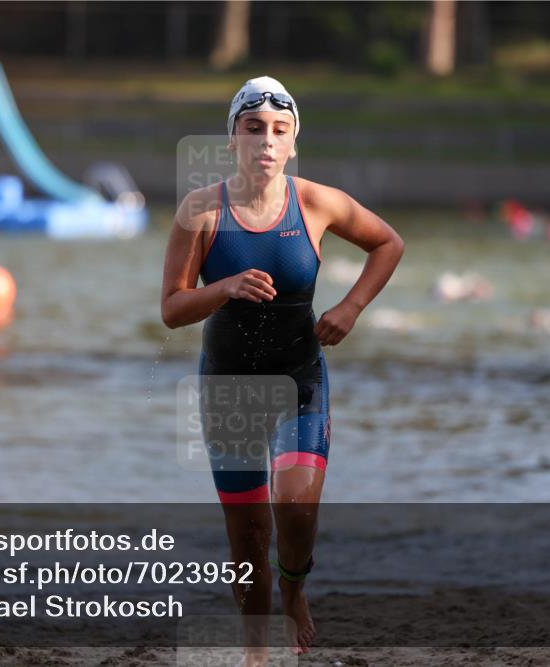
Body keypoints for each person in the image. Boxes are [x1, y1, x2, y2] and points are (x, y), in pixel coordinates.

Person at [161, 76, 404, 664]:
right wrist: (224, 288)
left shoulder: (317, 202)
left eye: (279, 130)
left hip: (299, 379)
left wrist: (350, 307)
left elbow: (388, 244)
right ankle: (256, 650)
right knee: (247, 537)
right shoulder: (201, 210)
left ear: (293, 142)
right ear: (232, 140)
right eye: (253, 129)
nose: (265, 142)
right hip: (228, 388)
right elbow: (171, 309)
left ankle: (294, 591)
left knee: (295, 506)